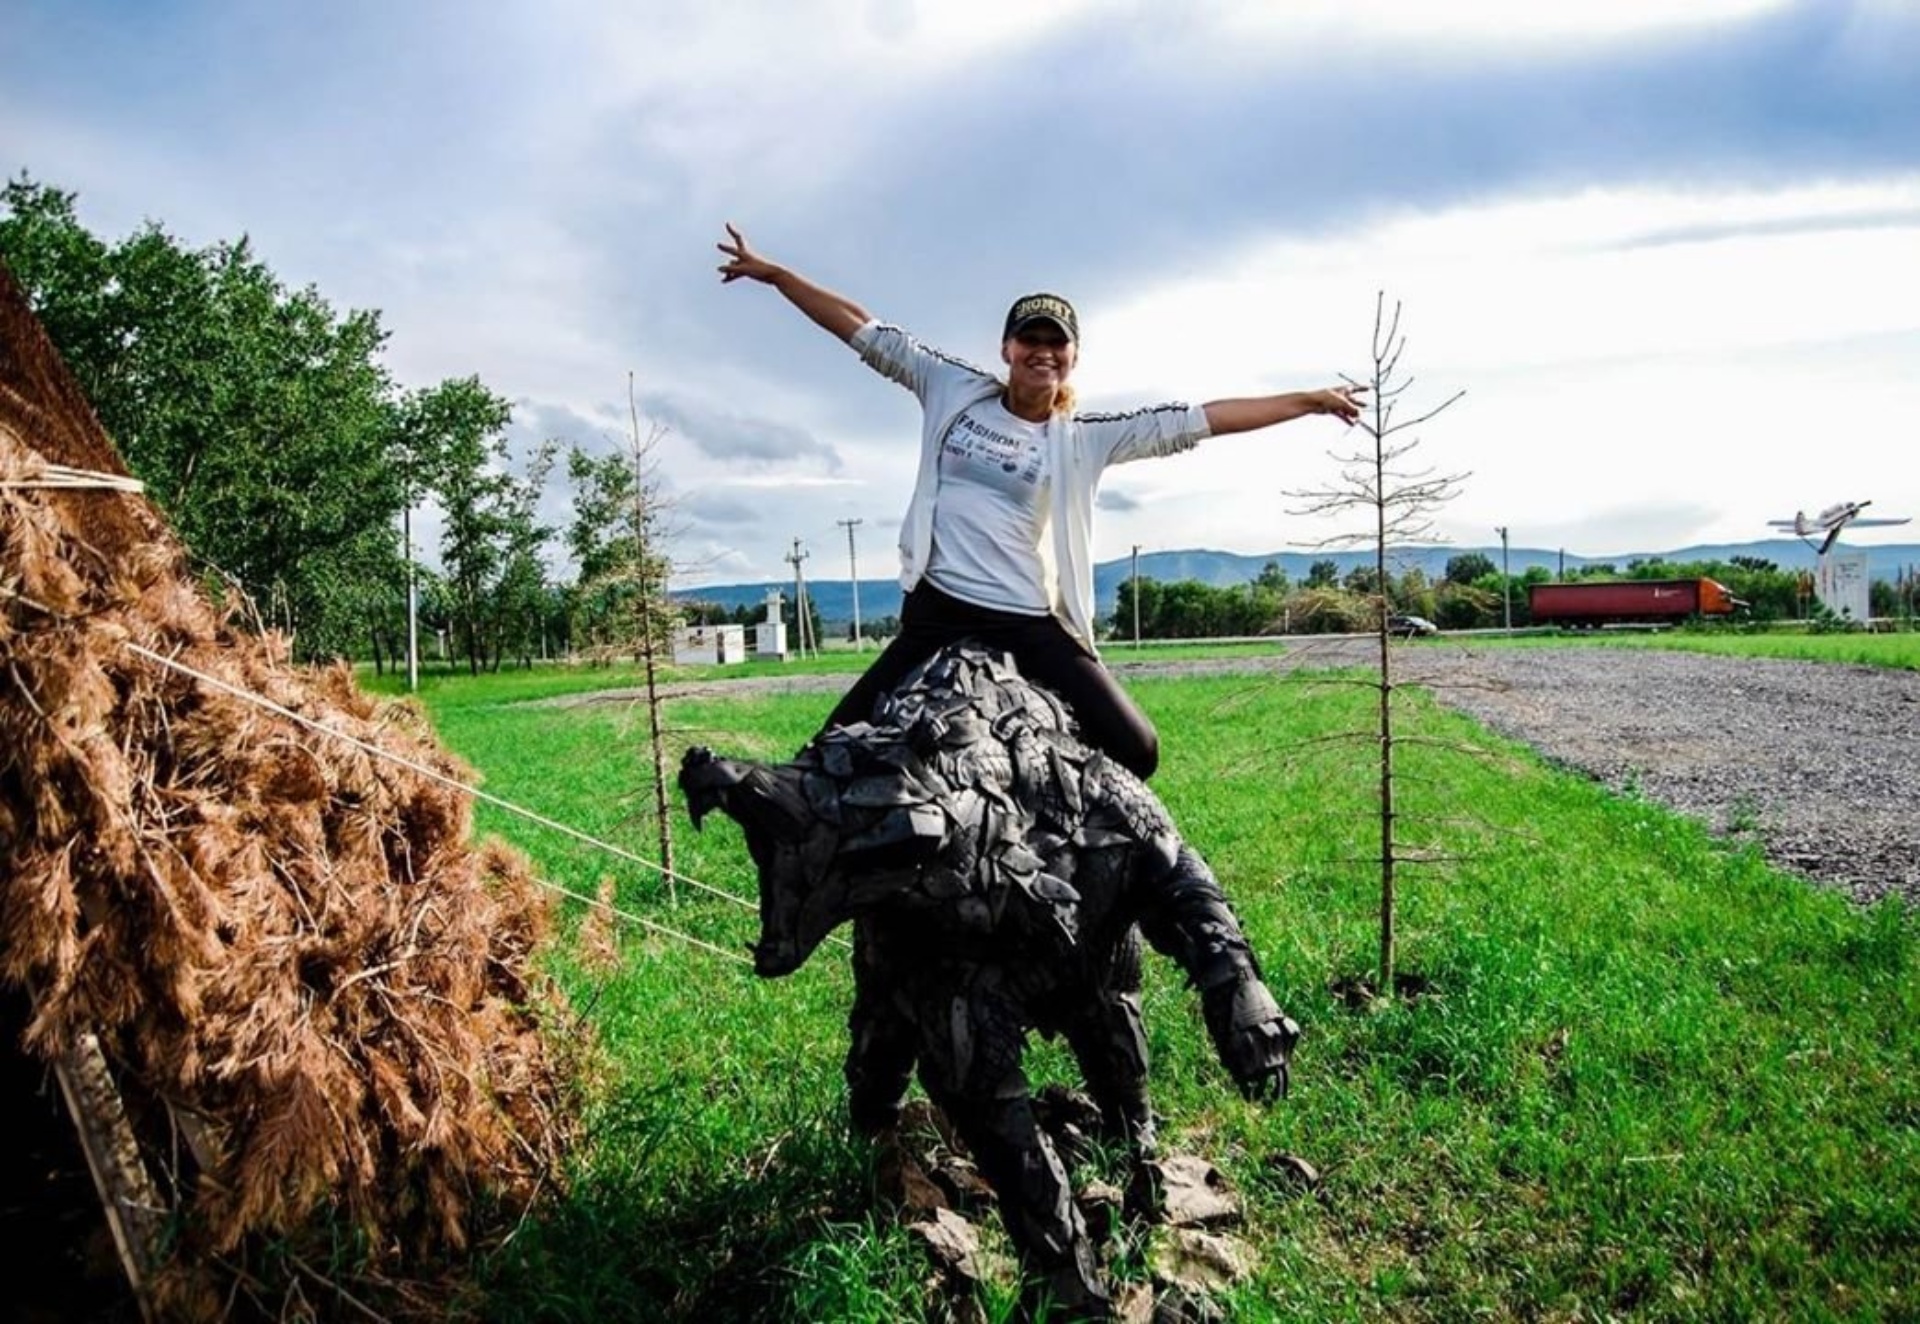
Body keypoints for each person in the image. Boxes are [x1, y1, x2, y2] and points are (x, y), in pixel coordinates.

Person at [717, 223, 1364, 780]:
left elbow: (1201, 419)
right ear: (1007, 349)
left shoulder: (1083, 439)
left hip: (1026, 616)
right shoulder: (951, 387)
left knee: (1138, 748)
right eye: (1030, 339)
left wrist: (1306, 401)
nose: (1042, 352)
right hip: (939, 607)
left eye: (1056, 343)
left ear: (1073, 357)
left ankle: (1043, 801)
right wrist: (775, 275)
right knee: (832, 748)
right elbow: (861, 327)